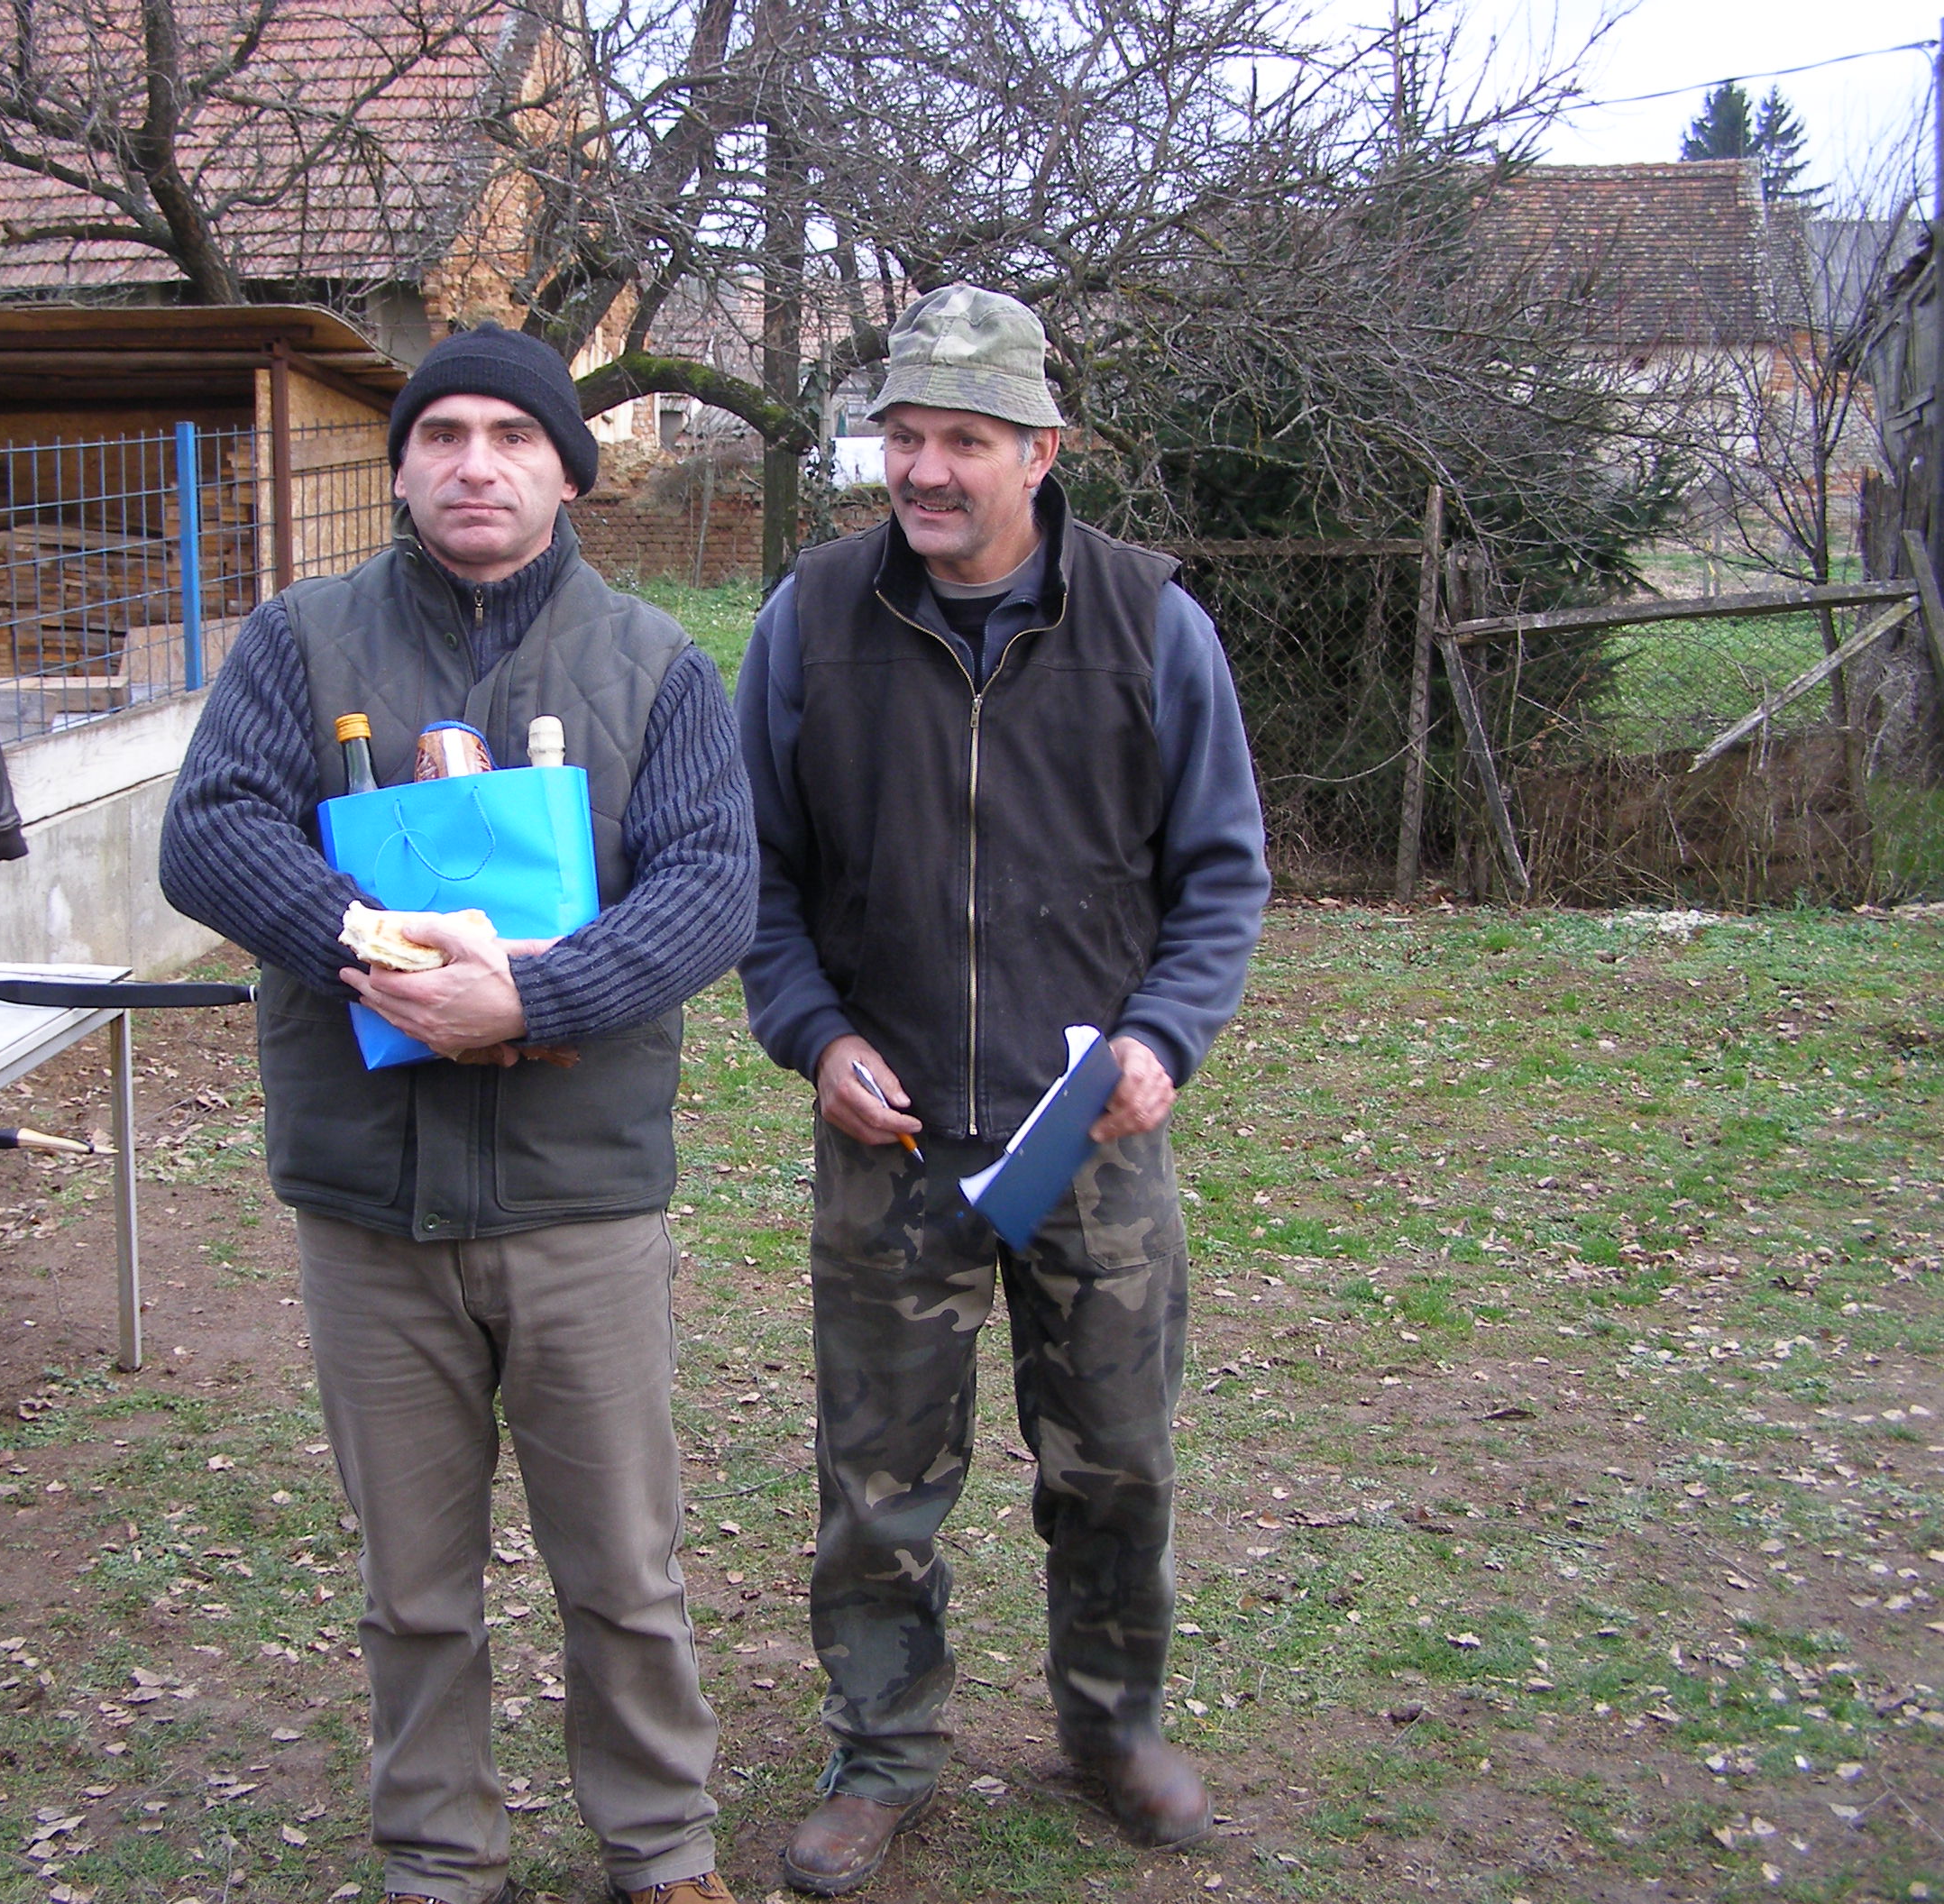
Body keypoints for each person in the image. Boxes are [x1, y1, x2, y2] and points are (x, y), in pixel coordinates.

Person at [160, 323, 757, 1904]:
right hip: (373, 1204)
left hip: (581, 1198)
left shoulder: (655, 664)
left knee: (623, 1566)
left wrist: (536, 1004)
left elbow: (710, 888)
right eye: (442, 435)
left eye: (512, 436)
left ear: (570, 474)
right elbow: (212, 835)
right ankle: (439, 1856)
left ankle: (661, 1847)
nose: (474, 464)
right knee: (414, 1583)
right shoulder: (298, 644)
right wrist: (379, 949)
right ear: (402, 467)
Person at [736, 284, 1270, 1897]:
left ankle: (1112, 1730)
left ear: (1043, 451)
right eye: (904, 435)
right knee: (877, 1487)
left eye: (965, 439)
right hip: (887, 1135)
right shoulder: (811, 620)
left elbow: (1221, 876)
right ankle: (884, 1750)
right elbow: (755, 876)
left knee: (1117, 1462)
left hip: (1088, 1135)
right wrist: (812, 1034)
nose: (925, 469)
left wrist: (1162, 1040)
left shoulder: (1150, 623)